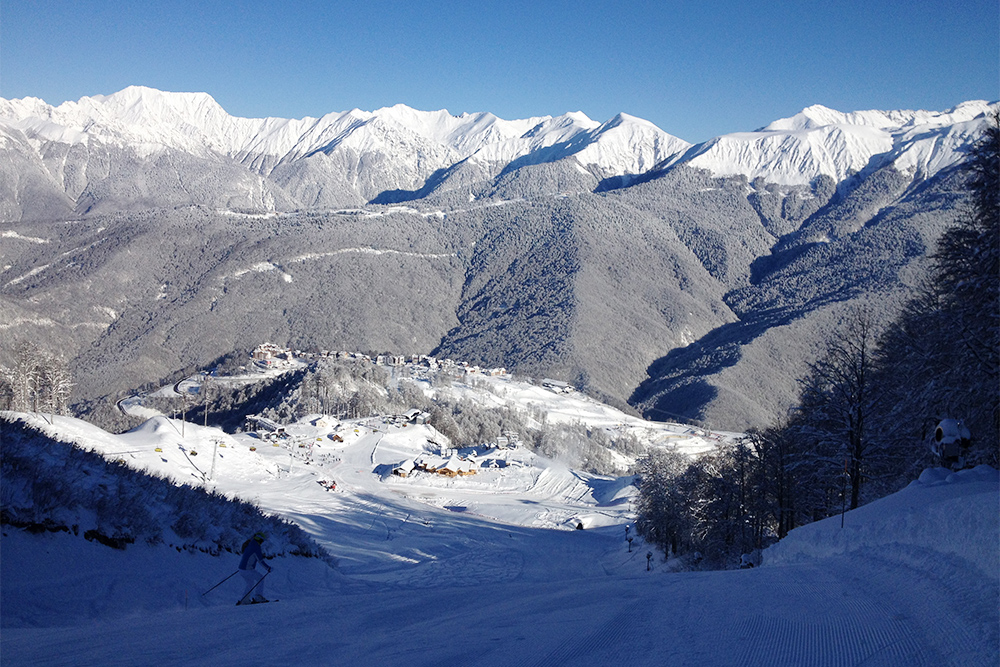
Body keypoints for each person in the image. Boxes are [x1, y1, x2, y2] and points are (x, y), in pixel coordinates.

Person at [237, 531, 272, 604]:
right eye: (262, 540)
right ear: (259, 539)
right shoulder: (256, 547)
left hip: (241, 569)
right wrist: (268, 568)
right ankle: (258, 597)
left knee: (250, 583)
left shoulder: (249, 545)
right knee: (261, 578)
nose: (262, 542)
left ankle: (244, 600)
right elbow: (260, 560)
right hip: (247, 570)